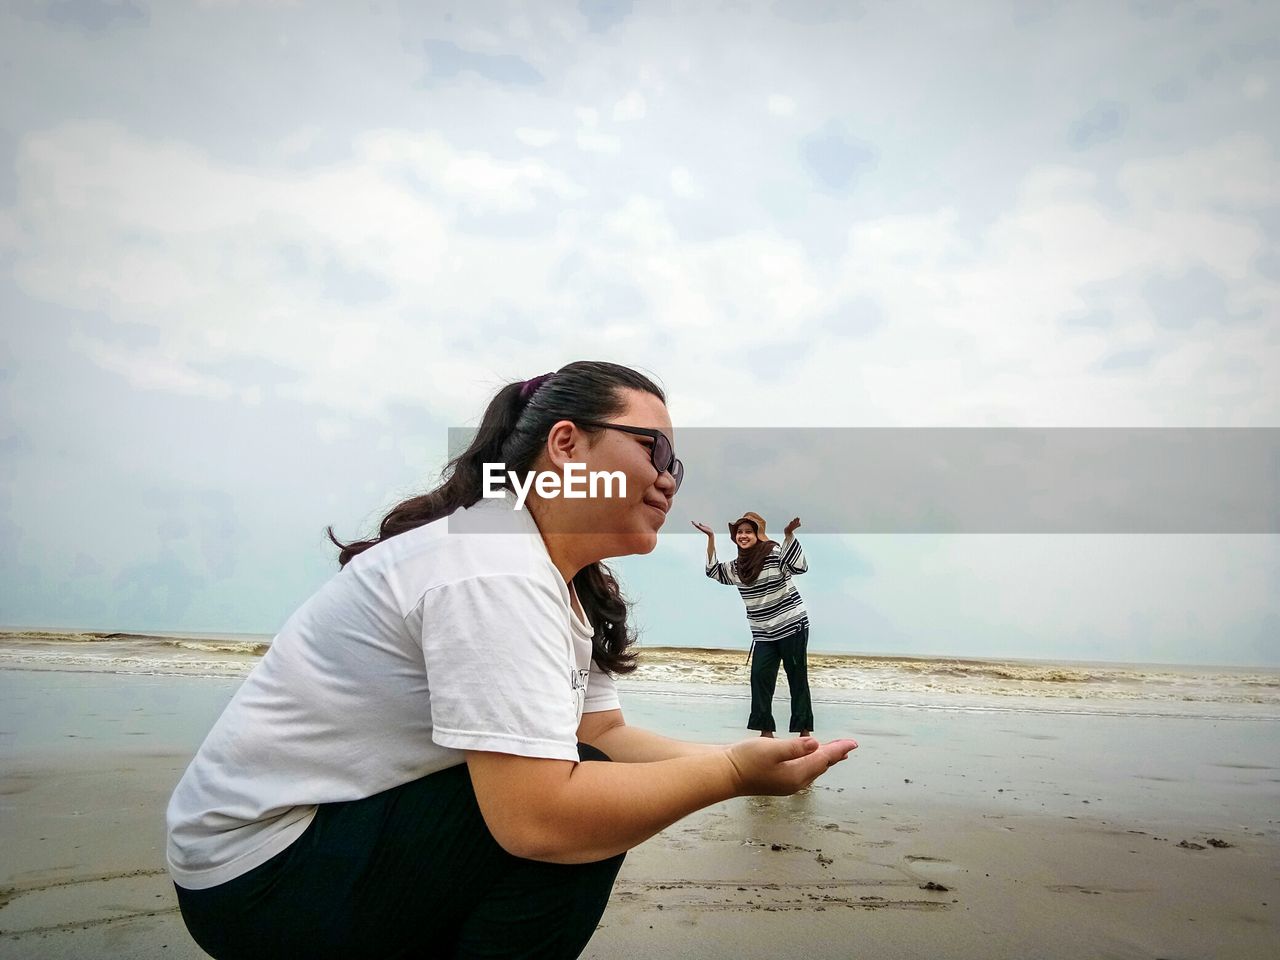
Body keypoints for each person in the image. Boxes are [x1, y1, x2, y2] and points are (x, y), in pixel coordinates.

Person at [166, 360, 857, 960]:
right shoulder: (494, 562)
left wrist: (735, 755)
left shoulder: (548, 575)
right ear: (566, 444)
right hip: (257, 873)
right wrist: (731, 776)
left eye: (678, 464)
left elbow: (601, 735)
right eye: (654, 449)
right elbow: (539, 820)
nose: (669, 477)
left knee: (590, 779)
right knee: (577, 820)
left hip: (312, 844)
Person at [692, 512, 814, 738]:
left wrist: (788, 535)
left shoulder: (774, 553)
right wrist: (710, 538)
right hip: (763, 633)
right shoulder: (737, 567)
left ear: (758, 534)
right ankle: (765, 732)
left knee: (796, 676)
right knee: (759, 677)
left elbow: (799, 567)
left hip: (791, 625)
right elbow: (712, 571)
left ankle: (804, 731)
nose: (743, 535)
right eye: (739, 532)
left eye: (749, 531)